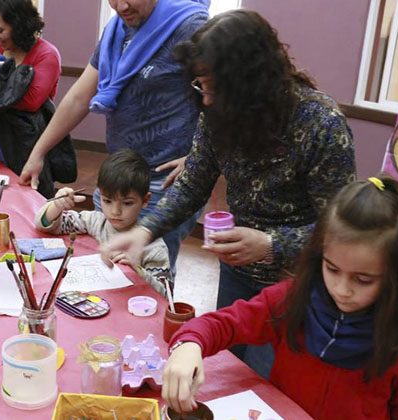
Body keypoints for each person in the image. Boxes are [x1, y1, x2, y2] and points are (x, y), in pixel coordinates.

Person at [101, 9, 356, 378]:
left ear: (252, 82)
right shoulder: (217, 112)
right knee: (231, 371)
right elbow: (192, 184)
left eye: (215, 88)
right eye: (200, 86)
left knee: (272, 382)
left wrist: (271, 244)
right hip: (238, 270)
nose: (205, 100)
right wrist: (143, 231)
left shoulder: (322, 125)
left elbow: (341, 232)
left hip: (296, 286)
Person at [162, 177, 398, 419]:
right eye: (332, 269)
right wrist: (189, 344)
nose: (342, 289)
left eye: (363, 280)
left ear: (396, 274)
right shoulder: (292, 299)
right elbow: (225, 323)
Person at [18, 0, 209, 269]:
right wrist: (38, 152)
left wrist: (198, 158)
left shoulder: (190, 25)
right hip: (119, 178)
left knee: (150, 275)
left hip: (165, 185)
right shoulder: (118, 29)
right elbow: (80, 97)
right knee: (111, 267)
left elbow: (228, 100)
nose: (121, 6)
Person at [35, 149, 170, 294]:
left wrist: (139, 271)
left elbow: (166, 296)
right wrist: (57, 205)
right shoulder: (96, 221)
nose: (115, 211)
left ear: (145, 200)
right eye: (107, 201)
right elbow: (45, 225)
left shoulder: (154, 248)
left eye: (127, 203)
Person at [0, 0, 61, 197]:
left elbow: (29, 102)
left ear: (19, 26)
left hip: (26, 147)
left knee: (28, 200)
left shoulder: (47, 55)